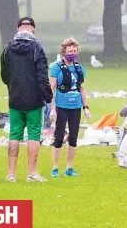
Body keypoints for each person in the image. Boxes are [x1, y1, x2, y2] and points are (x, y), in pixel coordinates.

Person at [1, 17, 53, 182]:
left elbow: (4, 74)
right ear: (33, 29)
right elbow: (42, 76)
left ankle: (11, 173)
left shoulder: (8, 48)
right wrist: (48, 97)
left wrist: (12, 85)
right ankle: (31, 173)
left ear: (18, 29)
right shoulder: (37, 48)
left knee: (14, 134)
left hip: (15, 97)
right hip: (34, 99)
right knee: (33, 135)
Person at [50, 37, 91, 177]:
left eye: (75, 50)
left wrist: (85, 107)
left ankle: (69, 168)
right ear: (64, 52)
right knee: (59, 137)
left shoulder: (79, 68)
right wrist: (52, 109)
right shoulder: (57, 68)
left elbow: (82, 88)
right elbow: (52, 89)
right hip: (61, 107)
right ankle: (55, 167)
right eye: (70, 50)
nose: (72, 53)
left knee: (73, 138)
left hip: (76, 107)